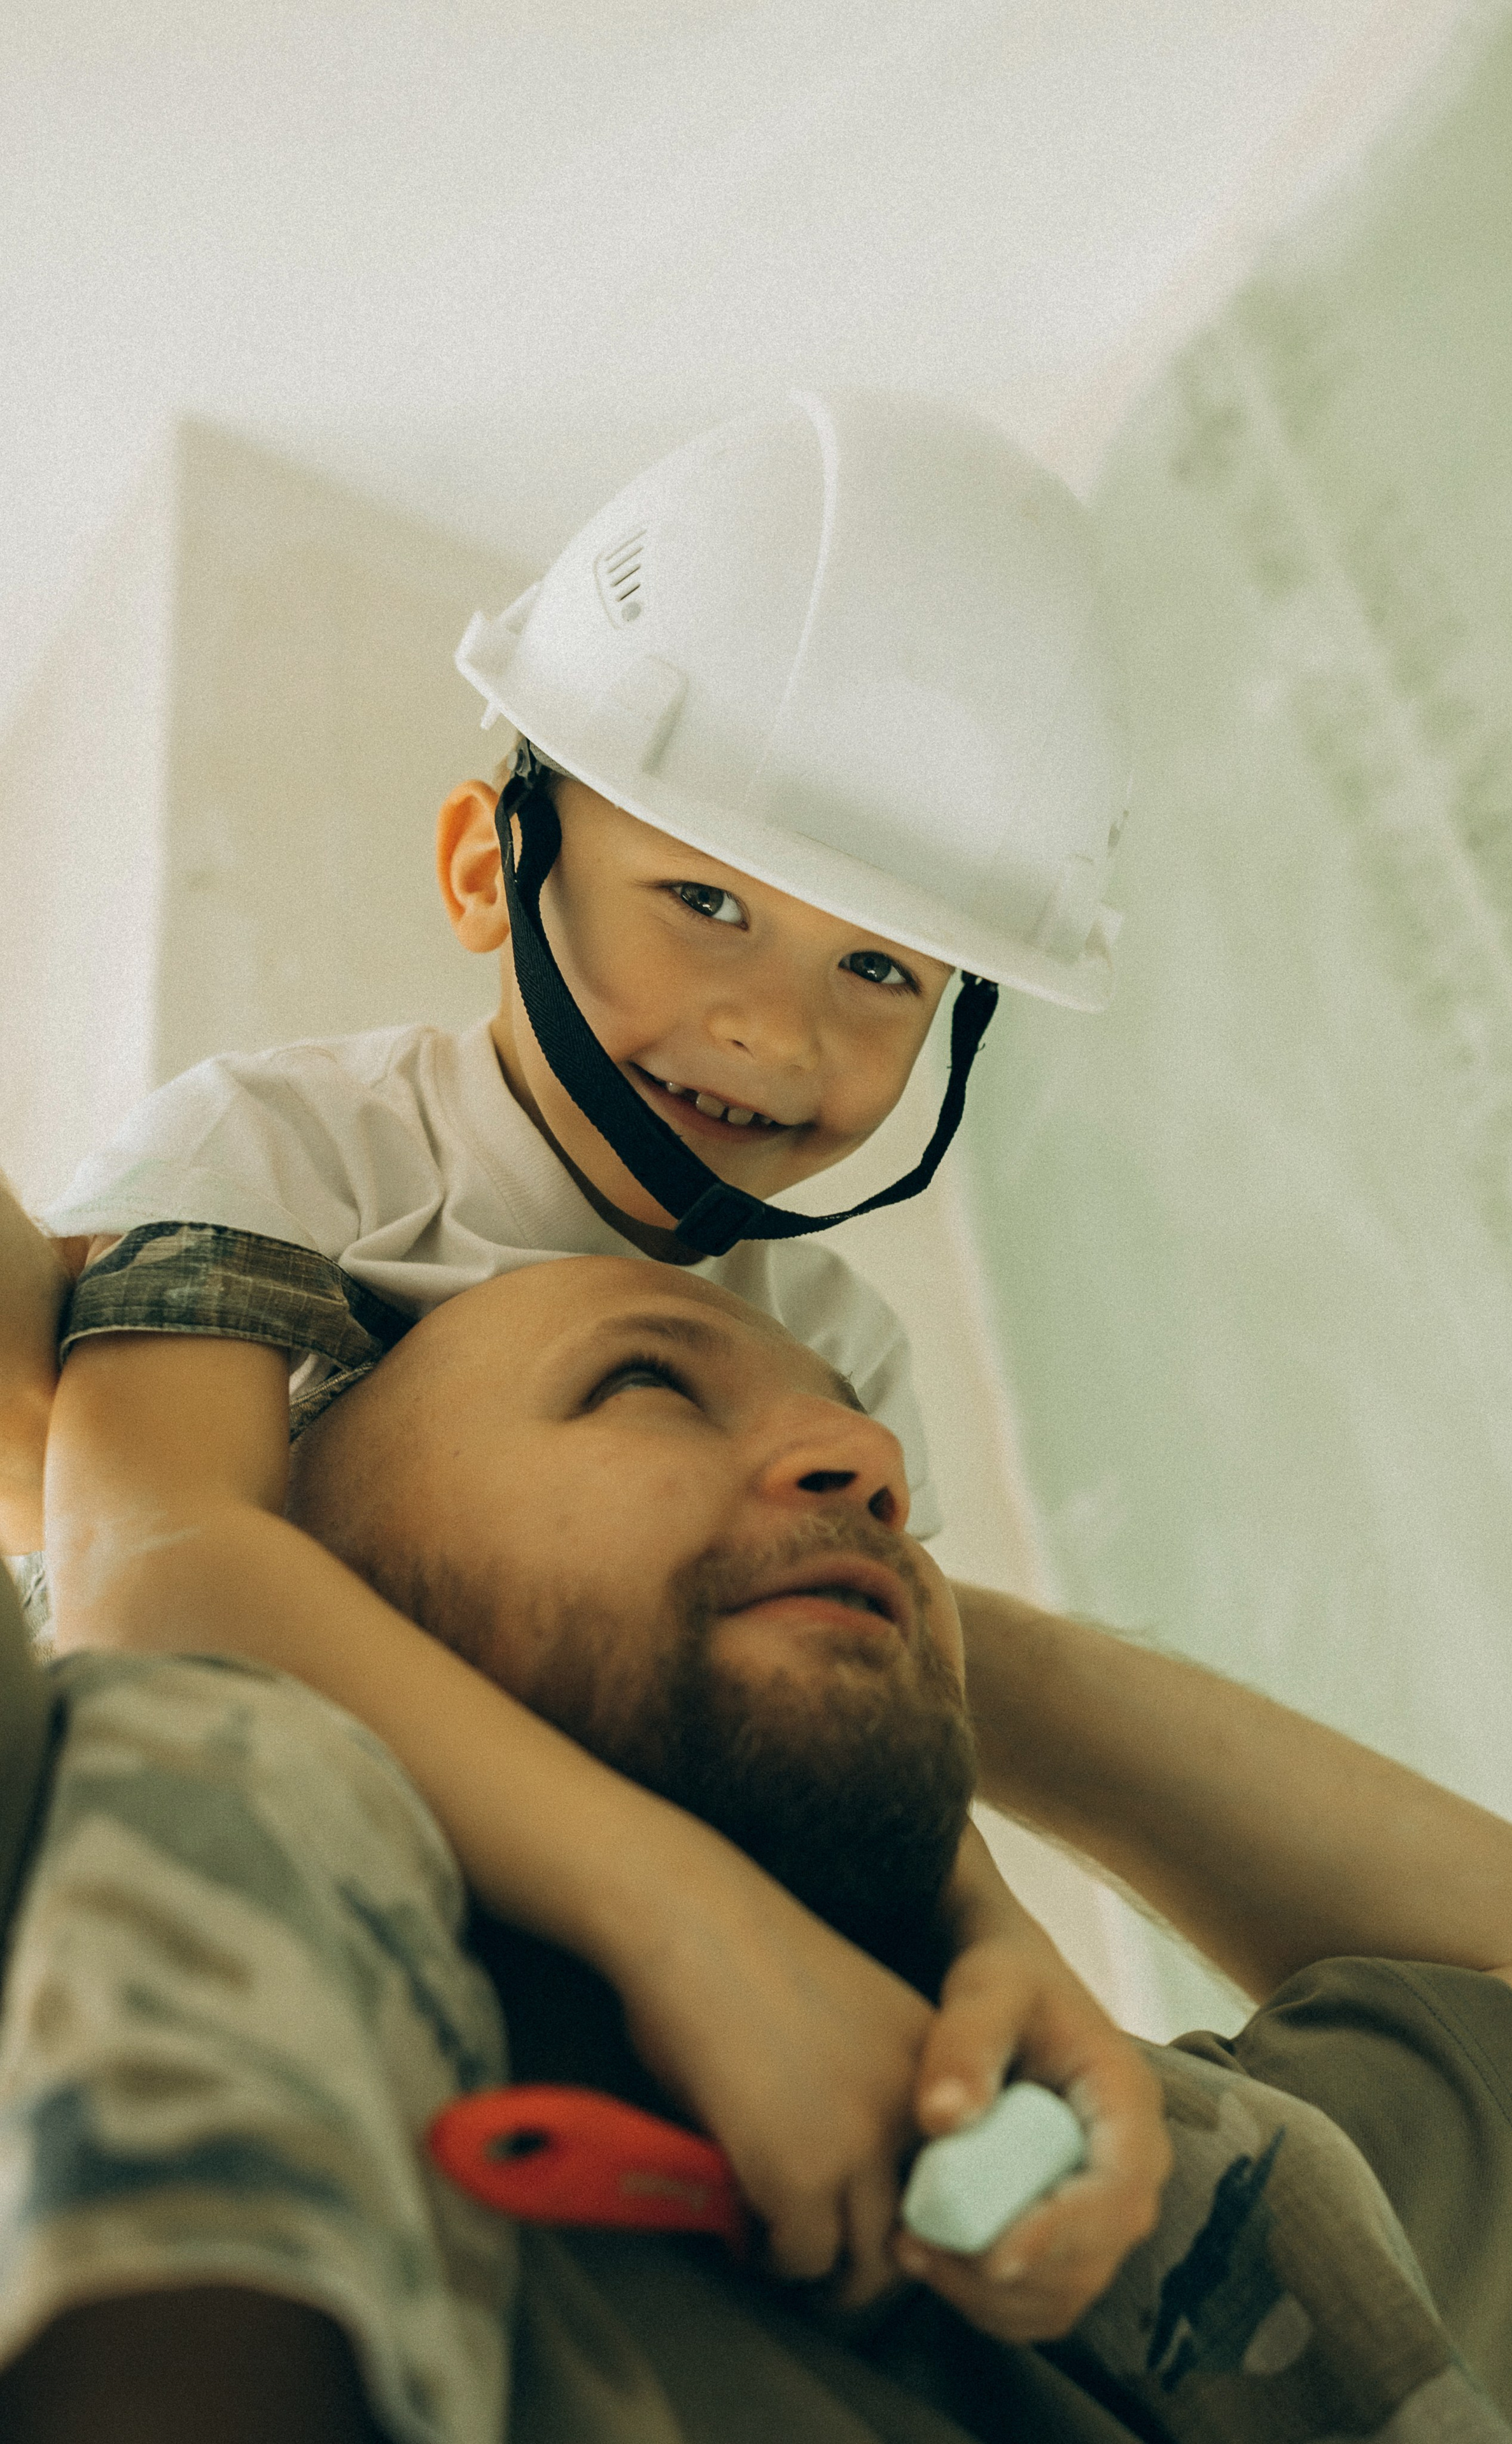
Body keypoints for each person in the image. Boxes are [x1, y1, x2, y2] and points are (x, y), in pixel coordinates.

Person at [1, 390, 1159, 2289]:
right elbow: (154, 1569)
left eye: (880, 968)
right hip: (191, 1928)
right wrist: (686, 1919)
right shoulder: (288, 1150)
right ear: (490, 867)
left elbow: (872, 1746)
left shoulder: (836, 1354)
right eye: (704, 901)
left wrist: (1002, 1961)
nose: (778, 1032)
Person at [2, 1257, 1512, 2444]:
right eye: (642, 1383)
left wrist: (886, 1620)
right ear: (311, 1583)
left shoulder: (1110, 2212)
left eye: (874, 1459)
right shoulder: (59, 1895)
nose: (877, 1472)